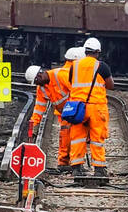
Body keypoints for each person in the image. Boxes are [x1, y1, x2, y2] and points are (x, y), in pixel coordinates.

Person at [65, 37, 115, 177]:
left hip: (78, 107)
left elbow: (71, 82)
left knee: (77, 137)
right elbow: (111, 85)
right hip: (96, 107)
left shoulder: (74, 66)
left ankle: (76, 168)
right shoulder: (102, 66)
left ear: (85, 51)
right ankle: (99, 169)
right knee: (97, 138)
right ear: (97, 51)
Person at [26, 53, 80, 171]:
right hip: (64, 115)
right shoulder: (41, 88)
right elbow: (39, 108)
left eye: (37, 81)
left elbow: (77, 91)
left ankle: (77, 164)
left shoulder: (61, 75)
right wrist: (34, 125)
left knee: (77, 137)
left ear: (40, 74)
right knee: (64, 137)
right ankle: (63, 163)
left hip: (75, 110)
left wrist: (78, 110)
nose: (37, 85)